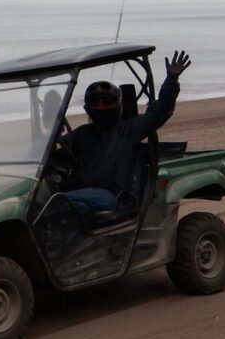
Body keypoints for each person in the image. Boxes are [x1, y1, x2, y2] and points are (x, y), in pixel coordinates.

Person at [60, 50, 191, 215]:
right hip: (82, 193)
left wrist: (171, 80)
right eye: (96, 103)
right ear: (87, 107)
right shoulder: (81, 134)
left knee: (61, 202)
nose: (101, 107)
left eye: (106, 102)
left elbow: (160, 112)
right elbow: (56, 149)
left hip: (114, 196)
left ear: (117, 105)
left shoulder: (129, 130)